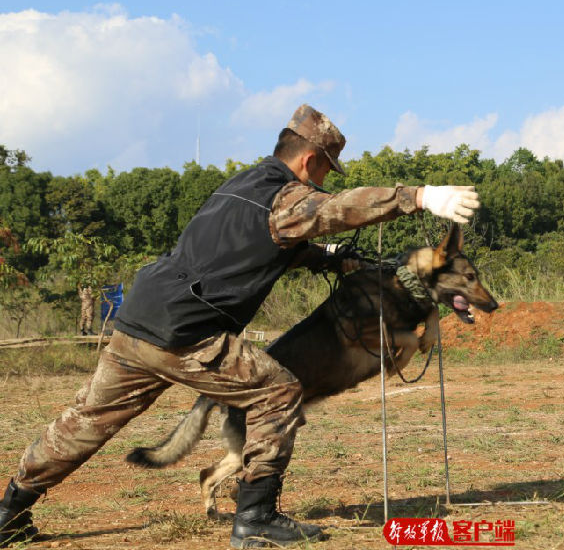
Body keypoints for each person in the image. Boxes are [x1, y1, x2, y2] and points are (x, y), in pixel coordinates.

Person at [0, 105, 480, 549]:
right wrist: (417, 197)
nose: (322, 184)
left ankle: (8, 512)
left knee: (86, 420)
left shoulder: (243, 184)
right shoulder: (287, 195)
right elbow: (336, 210)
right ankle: (255, 515)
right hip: (187, 332)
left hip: (141, 318)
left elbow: (257, 245)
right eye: (325, 172)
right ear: (310, 159)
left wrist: (329, 260)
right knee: (278, 390)